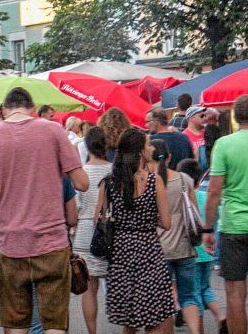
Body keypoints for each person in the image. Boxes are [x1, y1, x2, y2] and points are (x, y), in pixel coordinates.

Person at [0, 87, 89, 334]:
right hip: (52, 245)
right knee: (55, 324)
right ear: (32, 108)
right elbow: (82, 183)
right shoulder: (53, 130)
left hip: (11, 246)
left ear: (5, 109)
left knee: (16, 325)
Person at [203, 93, 248, 334]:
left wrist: (207, 228)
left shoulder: (224, 144)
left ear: (236, 118)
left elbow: (214, 191)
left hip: (233, 226)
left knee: (235, 294)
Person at [94, 129, 172, 334]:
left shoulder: (109, 182)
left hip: (121, 253)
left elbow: (99, 220)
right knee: (152, 318)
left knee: (129, 319)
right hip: (148, 251)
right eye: (148, 144)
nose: (152, 148)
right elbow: (166, 223)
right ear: (139, 151)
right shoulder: (155, 182)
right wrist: (145, 218)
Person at [152, 138, 203, 334]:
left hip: (159, 250)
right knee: (188, 297)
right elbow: (195, 215)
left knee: (164, 300)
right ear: (170, 157)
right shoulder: (185, 180)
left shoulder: (148, 182)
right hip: (185, 247)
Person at [72, 128, 113, 334]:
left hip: (86, 232)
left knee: (89, 289)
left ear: (87, 146)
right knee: (117, 283)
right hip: (111, 231)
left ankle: (92, 332)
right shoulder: (114, 170)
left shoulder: (81, 173)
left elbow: (77, 206)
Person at [179, 160, 225, 334]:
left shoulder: (184, 198)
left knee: (193, 292)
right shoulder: (205, 196)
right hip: (208, 252)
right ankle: (220, 316)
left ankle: (198, 329)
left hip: (193, 252)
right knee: (205, 288)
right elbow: (218, 214)